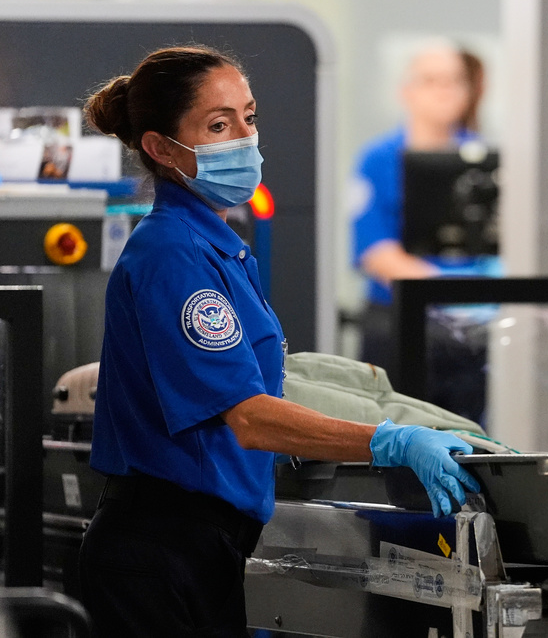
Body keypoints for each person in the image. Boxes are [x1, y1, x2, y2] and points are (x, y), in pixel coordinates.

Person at [78, 45, 480, 637]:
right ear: (162, 149)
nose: (245, 137)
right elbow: (246, 417)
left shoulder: (218, 247)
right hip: (159, 551)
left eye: (249, 116)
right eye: (219, 125)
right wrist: (387, 442)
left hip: (204, 545)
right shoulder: (174, 254)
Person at [350, 40, 494, 423]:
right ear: (407, 91)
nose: (444, 91)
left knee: (467, 439)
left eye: (455, 80)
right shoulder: (377, 160)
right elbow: (376, 253)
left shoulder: (484, 162)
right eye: (431, 80)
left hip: (470, 338)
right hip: (399, 327)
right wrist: (450, 290)